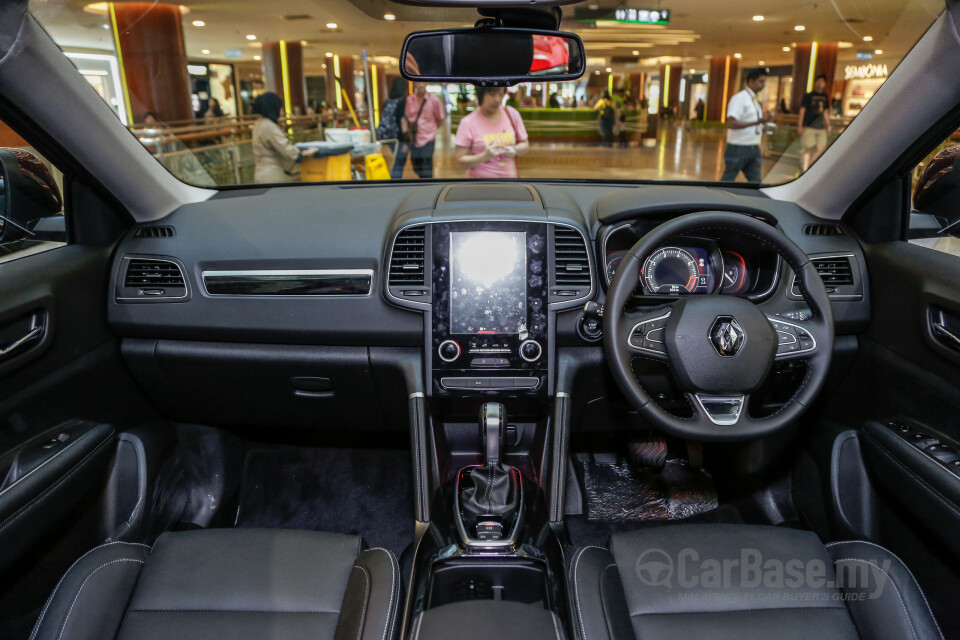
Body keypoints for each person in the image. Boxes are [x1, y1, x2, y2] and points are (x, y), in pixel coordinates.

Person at [454, 86, 528, 179]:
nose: (497, 99)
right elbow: (459, 161)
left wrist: (515, 150)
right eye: (492, 94)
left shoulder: (511, 114)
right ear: (481, 95)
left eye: (501, 94)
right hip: (479, 184)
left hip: (509, 182)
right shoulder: (468, 122)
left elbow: (525, 144)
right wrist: (484, 156)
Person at [250, 92, 316, 184]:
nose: (282, 111)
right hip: (273, 176)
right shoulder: (269, 126)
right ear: (273, 108)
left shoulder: (259, 124)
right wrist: (304, 153)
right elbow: (285, 149)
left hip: (261, 174)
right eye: (280, 108)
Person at [721, 68, 773, 183]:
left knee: (755, 182)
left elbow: (752, 124)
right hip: (738, 148)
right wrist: (758, 122)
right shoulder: (740, 99)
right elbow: (732, 123)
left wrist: (763, 128)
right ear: (751, 81)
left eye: (765, 82)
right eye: (761, 81)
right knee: (727, 182)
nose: (763, 85)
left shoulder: (754, 100)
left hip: (753, 147)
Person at [403, 82, 445, 178]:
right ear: (414, 85)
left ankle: (427, 186)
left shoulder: (435, 100)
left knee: (426, 168)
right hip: (413, 137)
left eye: (422, 82)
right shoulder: (410, 100)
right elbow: (406, 118)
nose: (420, 85)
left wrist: (432, 129)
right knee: (416, 166)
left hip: (428, 138)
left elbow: (441, 119)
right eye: (418, 83)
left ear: (426, 83)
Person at [797, 74, 832, 172]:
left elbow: (825, 113)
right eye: (819, 81)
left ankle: (806, 166)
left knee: (820, 148)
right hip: (808, 126)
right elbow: (802, 111)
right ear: (815, 82)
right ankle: (805, 169)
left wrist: (828, 126)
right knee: (808, 148)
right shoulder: (808, 96)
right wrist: (800, 126)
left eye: (823, 82)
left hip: (821, 127)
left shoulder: (825, 96)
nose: (821, 84)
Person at [377, 77, 408, 179]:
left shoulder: (388, 101)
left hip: (385, 135)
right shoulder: (403, 102)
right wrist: (405, 140)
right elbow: (402, 122)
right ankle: (395, 182)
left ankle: (393, 180)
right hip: (398, 137)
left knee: (394, 161)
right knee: (399, 163)